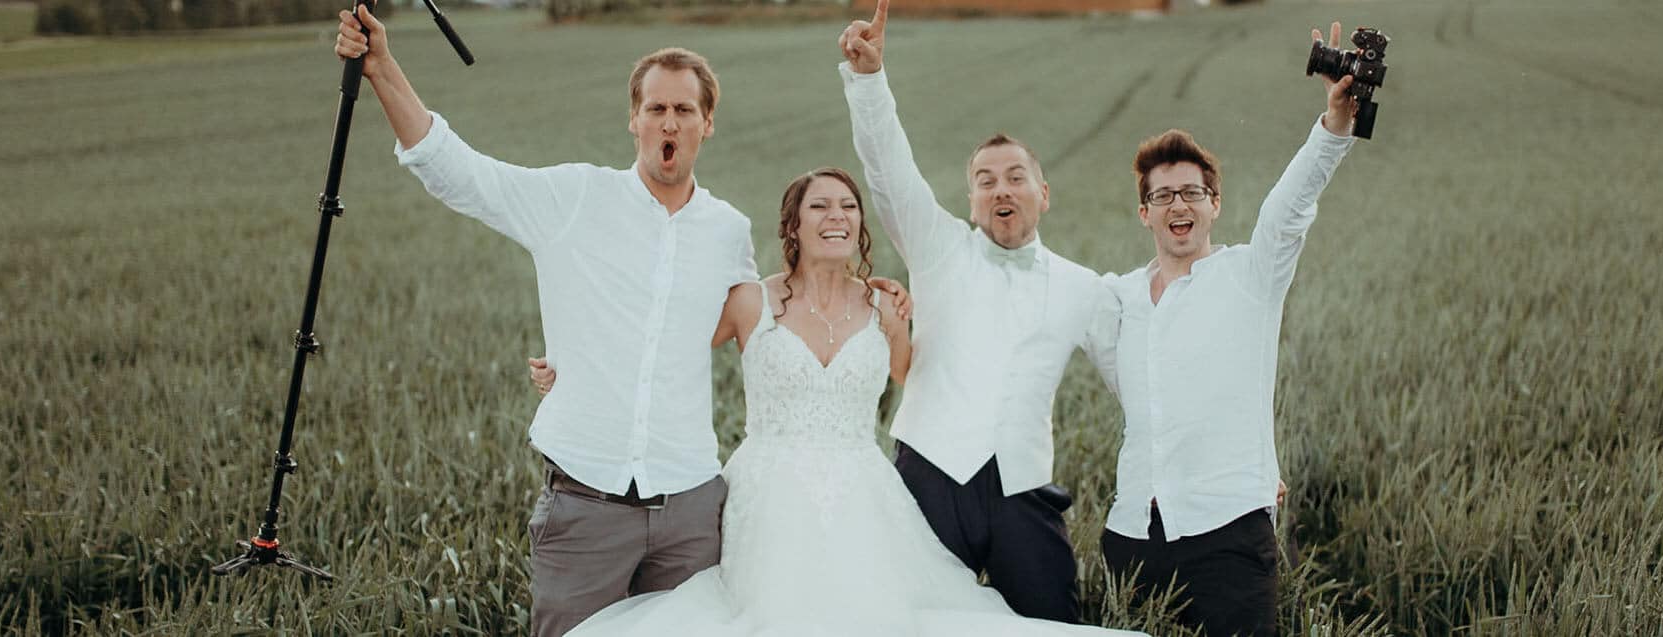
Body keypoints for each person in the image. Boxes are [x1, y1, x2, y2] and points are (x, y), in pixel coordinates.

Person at [333, 11, 882, 637]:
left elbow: (772, 317)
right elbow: (457, 170)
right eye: (655, 109)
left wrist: (869, 295)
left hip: (691, 509)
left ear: (708, 123)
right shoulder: (574, 199)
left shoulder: (727, 231)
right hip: (585, 501)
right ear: (634, 119)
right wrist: (380, 68)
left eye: (683, 109)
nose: (668, 122)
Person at [529, 169, 1141, 636]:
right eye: (819, 206)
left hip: (864, 493)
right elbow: (660, 352)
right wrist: (573, 372)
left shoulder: (883, 307)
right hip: (767, 493)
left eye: (848, 206)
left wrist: (916, 312)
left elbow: (919, 376)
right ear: (793, 225)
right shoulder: (750, 301)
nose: (836, 215)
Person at [834, 0, 1124, 623]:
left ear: (1042, 194)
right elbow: (887, 171)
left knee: (1054, 623)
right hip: (928, 478)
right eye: (986, 180)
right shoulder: (937, 250)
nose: (1001, 189)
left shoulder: (1083, 288)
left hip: (1022, 490)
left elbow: (1138, 379)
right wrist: (869, 80)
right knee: (913, 625)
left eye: (1016, 177)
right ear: (970, 201)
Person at [1096, 21, 1364, 637]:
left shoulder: (1251, 274)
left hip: (1228, 534)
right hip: (1133, 534)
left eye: (1192, 192)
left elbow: (1288, 210)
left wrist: (1334, 125)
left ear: (1215, 203)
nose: (1179, 206)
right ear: (1145, 214)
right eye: (1163, 197)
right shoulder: (1117, 297)